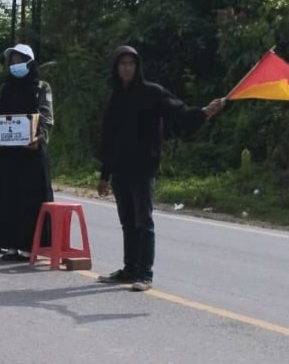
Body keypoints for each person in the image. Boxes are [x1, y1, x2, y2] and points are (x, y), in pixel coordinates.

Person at [96, 45, 226, 292]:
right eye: (122, 64)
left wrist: (205, 112)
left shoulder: (152, 93)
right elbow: (109, 139)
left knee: (143, 221)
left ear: (137, 66)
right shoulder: (115, 97)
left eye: (131, 63)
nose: (127, 68)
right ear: (116, 68)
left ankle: (145, 274)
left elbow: (179, 112)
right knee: (127, 222)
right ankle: (129, 268)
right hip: (121, 169)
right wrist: (105, 175)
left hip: (143, 167)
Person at [0, 44, 54, 260]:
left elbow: (47, 118)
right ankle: (10, 244)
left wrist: (38, 139)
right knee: (6, 197)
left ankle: (30, 246)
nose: (15, 65)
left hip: (31, 154)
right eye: (12, 62)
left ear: (30, 62)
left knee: (30, 199)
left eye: (19, 60)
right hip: (6, 154)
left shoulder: (41, 87)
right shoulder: (6, 87)